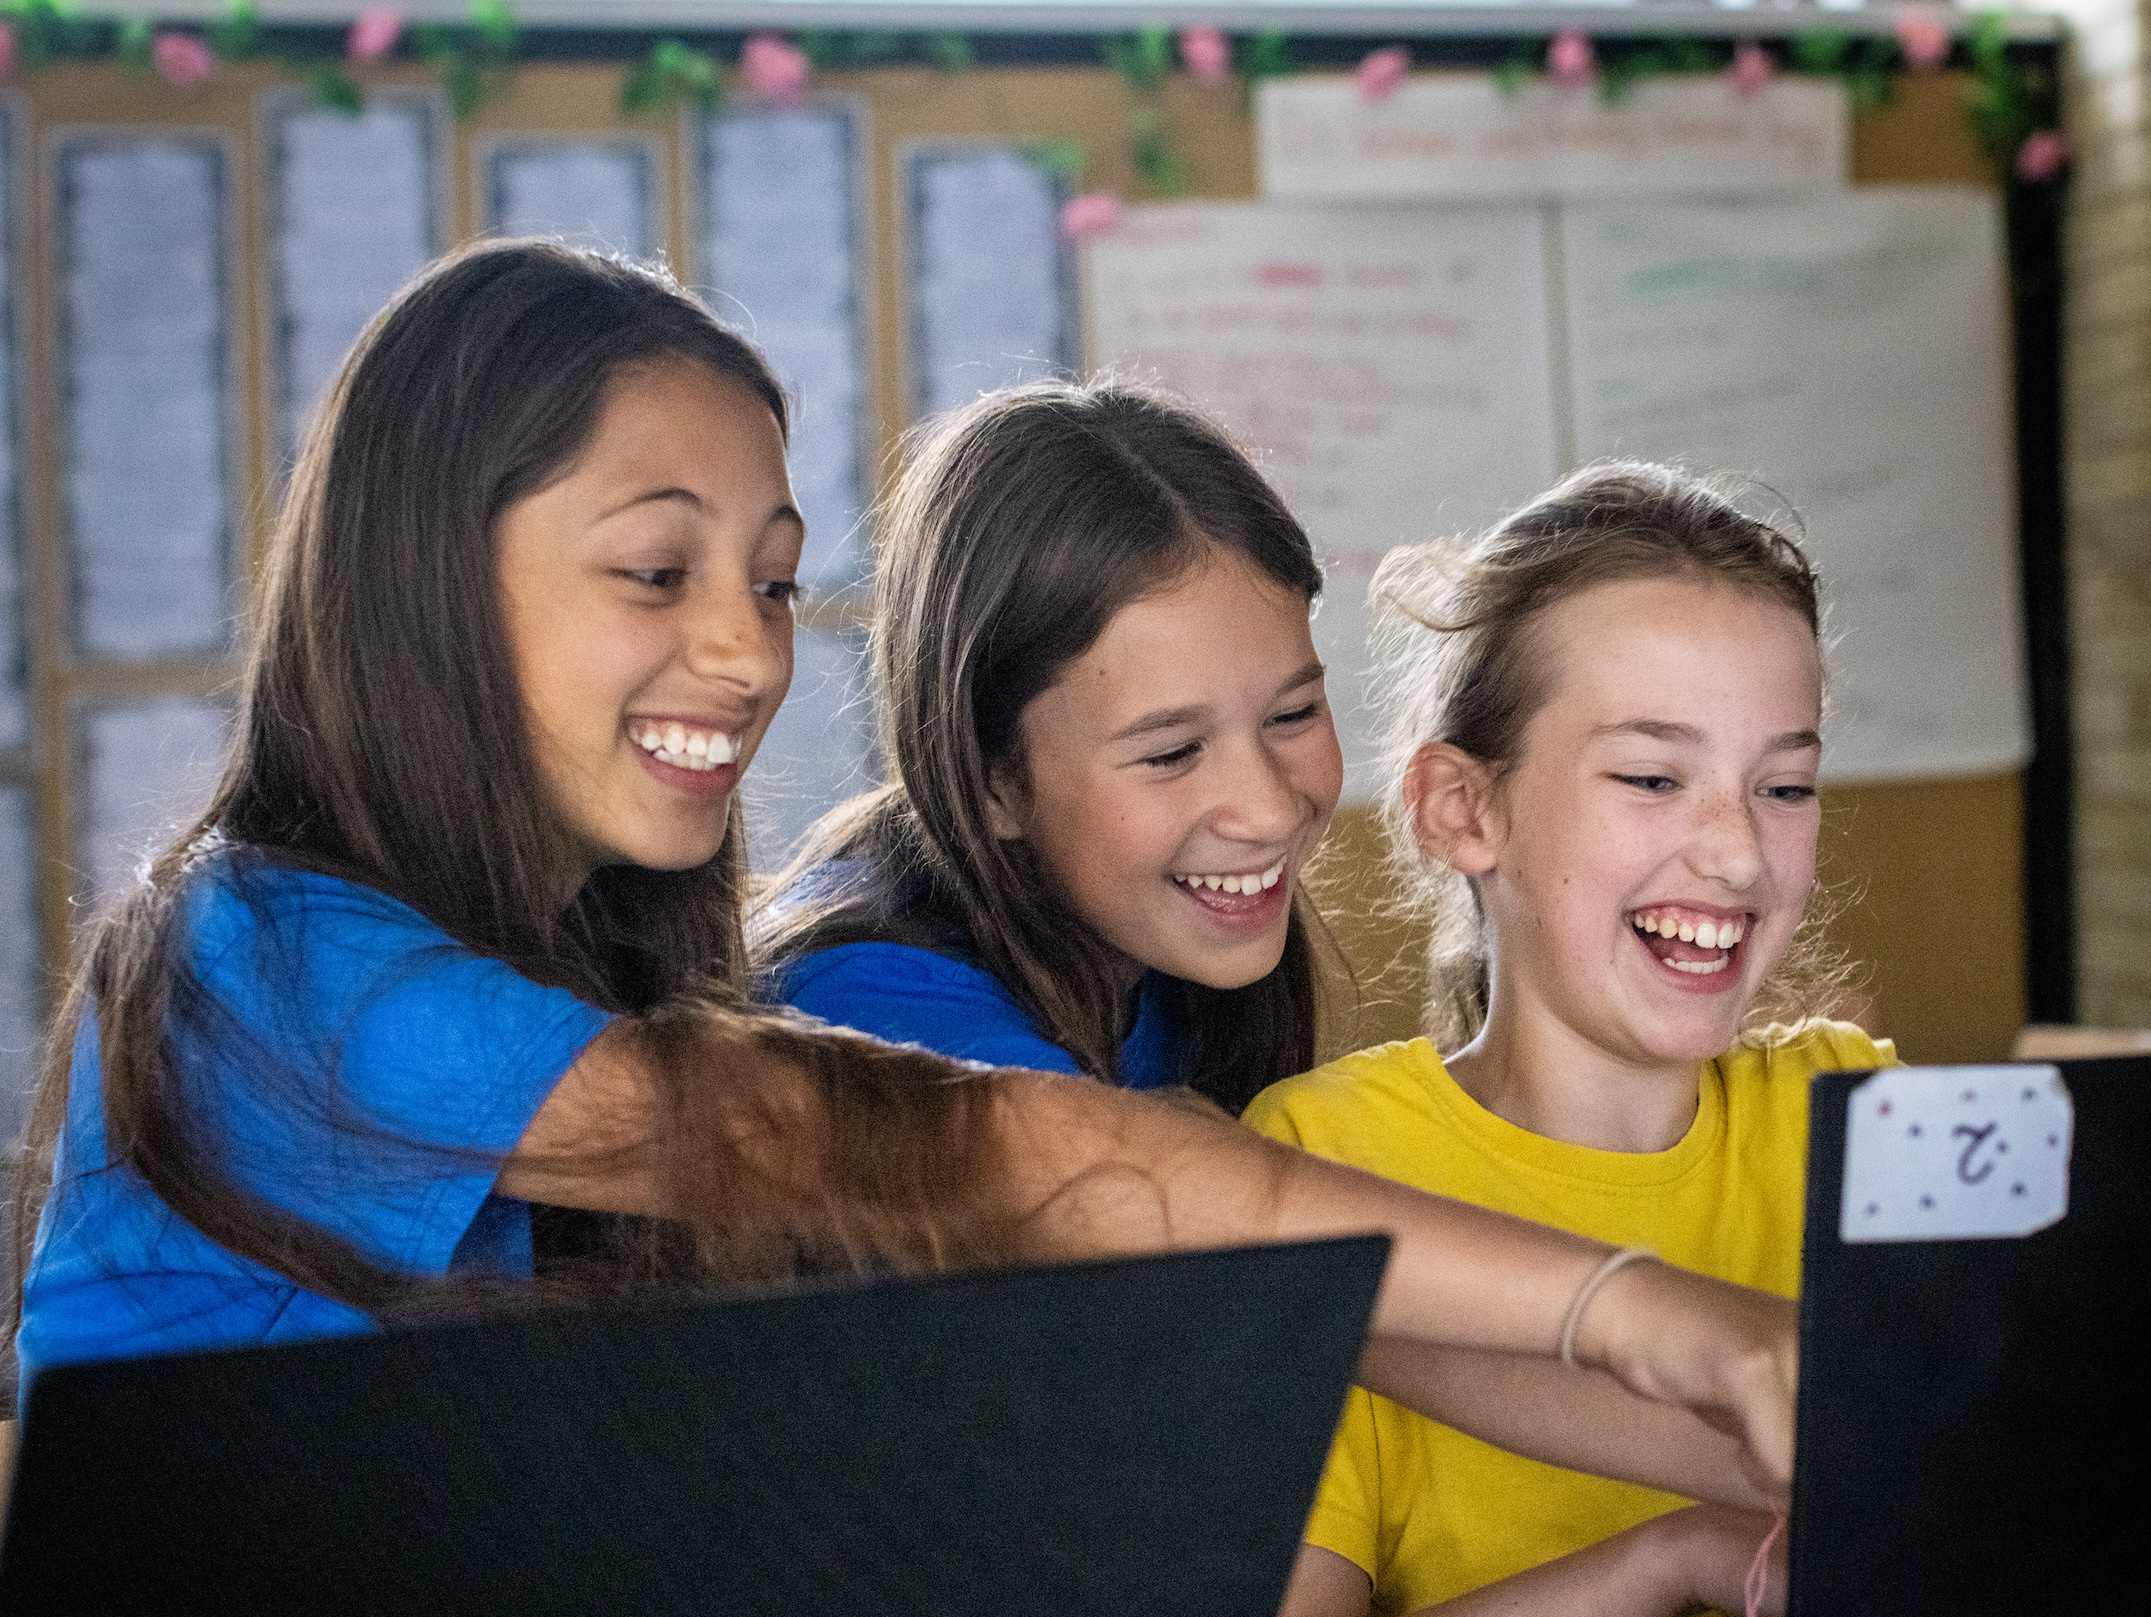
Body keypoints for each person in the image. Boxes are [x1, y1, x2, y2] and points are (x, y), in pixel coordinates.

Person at [12, 246, 1793, 1540]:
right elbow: (1063, 1178)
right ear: (421, 577)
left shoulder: (578, 972)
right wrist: (1636, 1300)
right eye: (657, 569)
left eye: (777, 585)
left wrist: (1756, 1442)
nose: (741, 647)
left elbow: (1297, 1322)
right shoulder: (259, 957)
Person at [1249, 464, 1894, 1617]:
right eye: (1653, 778)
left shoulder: (1855, 1111)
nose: (1738, 850)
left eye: (1786, 783)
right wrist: (1669, 1563)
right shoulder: (1324, 1159)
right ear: (1459, 809)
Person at [754, 377, 1335, 1114]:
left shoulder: (1155, 946)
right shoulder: (868, 1006)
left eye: (1292, 714)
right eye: (1170, 754)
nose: (1269, 811)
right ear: (991, 781)